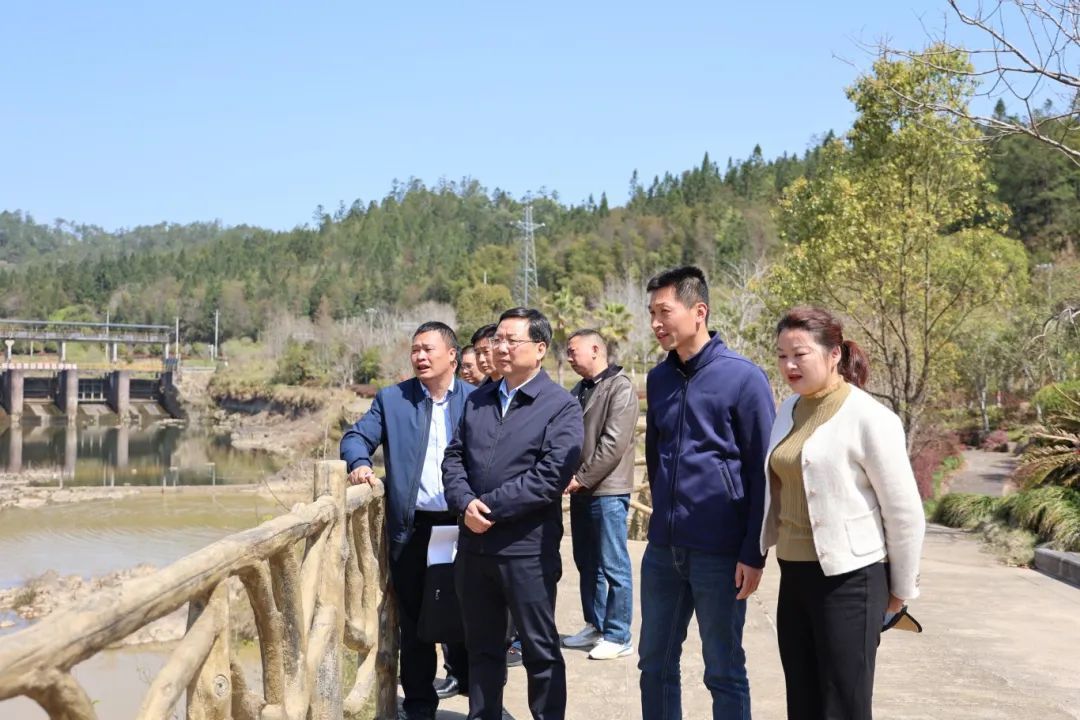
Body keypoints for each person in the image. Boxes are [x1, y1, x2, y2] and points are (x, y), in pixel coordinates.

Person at [763, 306, 925, 720]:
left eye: (800, 354)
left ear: (834, 354)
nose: (789, 365)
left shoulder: (870, 417)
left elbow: (904, 512)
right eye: (782, 355)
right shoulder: (788, 410)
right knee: (803, 701)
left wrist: (900, 591)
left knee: (844, 705)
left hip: (851, 580)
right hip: (793, 575)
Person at [638, 266, 775, 720]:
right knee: (654, 663)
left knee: (723, 669)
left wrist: (754, 551)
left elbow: (762, 472)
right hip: (664, 549)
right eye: (651, 313)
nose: (656, 323)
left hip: (721, 552)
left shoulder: (744, 378)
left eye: (664, 312)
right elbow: (655, 455)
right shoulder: (658, 379)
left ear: (699, 311)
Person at [443, 307, 584, 720]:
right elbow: (453, 458)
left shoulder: (560, 406)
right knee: (482, 648)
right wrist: (464, 501)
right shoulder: (479, 399)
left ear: (539, 348)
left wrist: (487, 507)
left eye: (511, 340)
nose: (500, 347)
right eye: (497, 339)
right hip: (474, 548)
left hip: (527, 550)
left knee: (539, 649)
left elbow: (550, 476)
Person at [340, 322, 474, 720]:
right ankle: (419, 706)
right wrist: (360, 463)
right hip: (412, 529)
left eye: (428, 349)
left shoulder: (477, 400)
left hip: (466, 524)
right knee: (415, 623)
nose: (420, 356)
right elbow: (355, 437)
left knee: (471, 612)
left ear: (452, 355)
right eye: (415, 349)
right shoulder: (393, 400)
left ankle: (479, 697)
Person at [562, 329, 638, 660]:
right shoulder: (579, 389)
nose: (568, 357)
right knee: (587, 562)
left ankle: (619, 635)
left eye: (573, 350)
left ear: (595, 349)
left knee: (613, 564)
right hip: (581, 490)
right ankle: (596, 624)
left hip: (607, 490)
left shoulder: (620, 387)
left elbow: (613, 443)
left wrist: (581, 477)